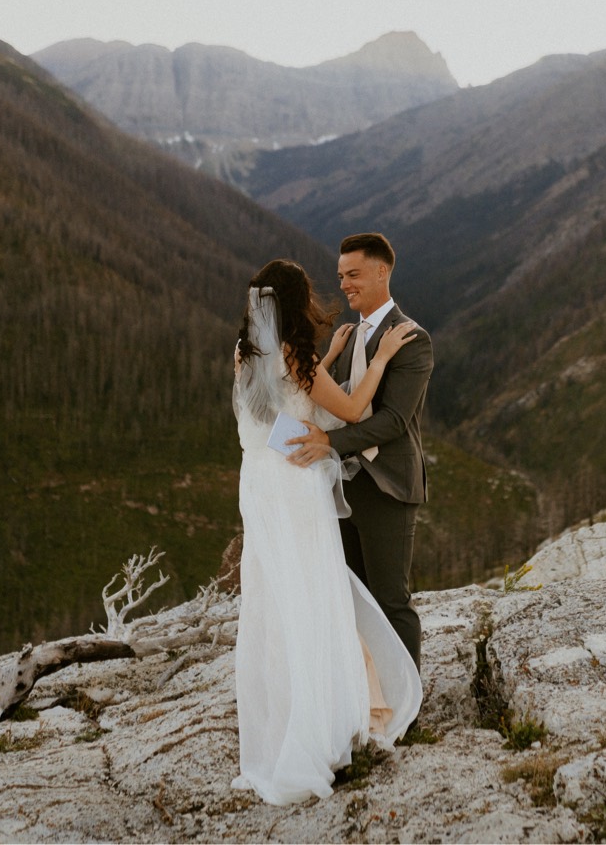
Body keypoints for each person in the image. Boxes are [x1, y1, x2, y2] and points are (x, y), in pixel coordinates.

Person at [230, 258, 423, 806]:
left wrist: (330, 358)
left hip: (259, 484)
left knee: (276, 600)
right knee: (316, 594)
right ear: (296, 303)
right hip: (295, 487)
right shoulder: (300, 357)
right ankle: (330, 722)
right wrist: (381, 356)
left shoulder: (243, 353)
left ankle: (282, 727)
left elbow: (270, 415)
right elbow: (355, 407)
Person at [287, 232, 433, 670]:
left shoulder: (411, 339)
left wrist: (328, 442)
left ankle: (409, 709)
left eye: (353, 275)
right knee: (355, 599)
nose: (345, 284)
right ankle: (373, 703)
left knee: (391, 600)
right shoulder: (350, 335)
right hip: (344, 487)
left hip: (387, 486)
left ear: (381, 271)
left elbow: (392, 421)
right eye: (340, 276)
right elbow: (338, 400)